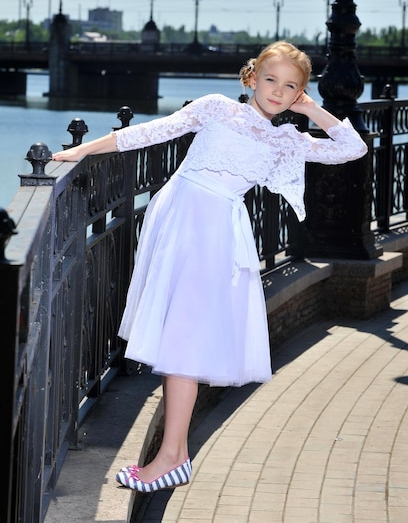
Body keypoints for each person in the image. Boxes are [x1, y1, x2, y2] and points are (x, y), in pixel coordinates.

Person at [52, 41, 368, 493]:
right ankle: (174, 456)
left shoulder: (285, 139)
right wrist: (82, 152)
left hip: (215, 234)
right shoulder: (217, 108)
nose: (278, 92)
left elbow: (351, 149)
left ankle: (172, 458)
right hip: (179, 219)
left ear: (299, 93)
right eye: (271, 80)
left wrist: (312, 109)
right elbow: (152, 131)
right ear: (252, 77)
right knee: (180, 339)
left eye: (291, 87)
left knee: (184, 341)